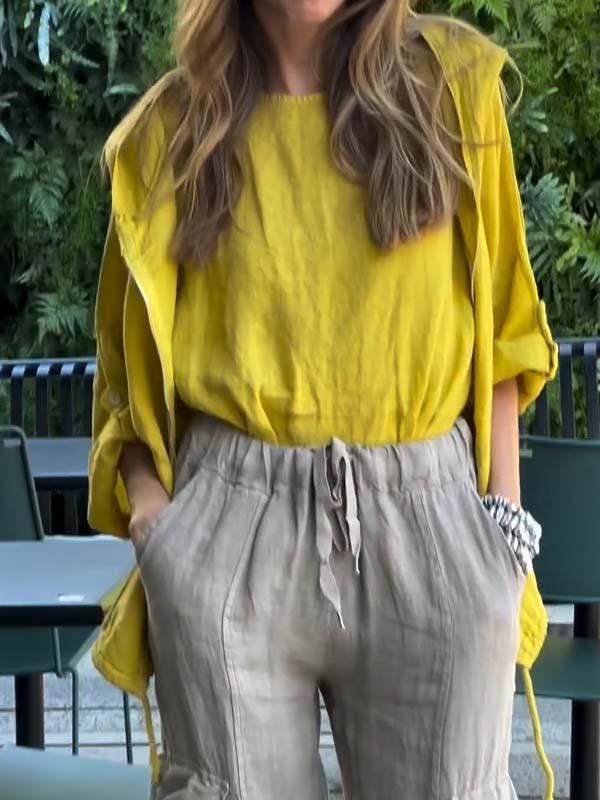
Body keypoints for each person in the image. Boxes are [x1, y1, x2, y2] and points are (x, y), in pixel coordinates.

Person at [88, 1, 558, 798]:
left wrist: (501, 536)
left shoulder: (454, 88)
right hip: (230, 531)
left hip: (431, 525)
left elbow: (507, 330)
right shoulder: (167, 135)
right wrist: (158, 526)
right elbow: (123, 379)